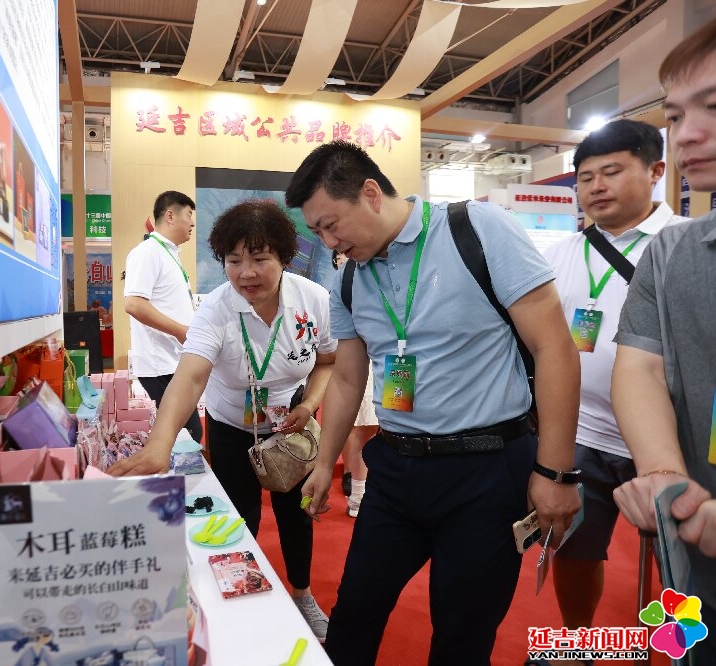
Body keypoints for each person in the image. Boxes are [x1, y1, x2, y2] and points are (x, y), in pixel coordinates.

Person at [285, 140, 582, 664]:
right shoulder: (349, 275)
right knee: (354, 613)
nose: (329, 241)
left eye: (331, 225)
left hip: (486, 473)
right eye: (318, 232)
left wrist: (555, 472)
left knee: (462, 633)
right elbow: (349, 377)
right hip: (395, 470)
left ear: (370, 193)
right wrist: (324, 461)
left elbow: (553, 346)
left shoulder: (477, 229)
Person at [110, 201, 337, 640]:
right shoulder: (215, 309)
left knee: (296, 515)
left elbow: (328, 361)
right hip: (232, 426)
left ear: (284, 258)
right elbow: (191, 375)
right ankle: (240, 602)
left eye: (260, 259)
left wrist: (309, 404)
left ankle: (302, 594)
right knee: (238, 517)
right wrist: (159, 444)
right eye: (234, 261)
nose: (246, 273)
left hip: (290, 426)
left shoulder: (313, 300)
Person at [541, 119, 688, 644]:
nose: (596, 187)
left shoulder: (686, 246)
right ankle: (577, 642)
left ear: (655, 171)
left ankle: (685, 647)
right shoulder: (560, 254)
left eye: (611, 172)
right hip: (581, 433)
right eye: (585, 178)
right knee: (573, 549)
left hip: (672, 437)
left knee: (683, 558)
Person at [611, 18, 716, 665]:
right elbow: (641, 367)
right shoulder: (672, 253)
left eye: (714, 107)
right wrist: (663, 474)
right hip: (695, 552)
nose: (687, 135)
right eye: (675, 117)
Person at [123, 191, 203, 442]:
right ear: (170, 216)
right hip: (160, 365)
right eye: (188, 215)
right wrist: (180, 331)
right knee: (187, 436)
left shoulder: (169, 253)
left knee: (184, 435)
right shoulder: (148, 252)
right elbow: (133, 304)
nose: (192, 222)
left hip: (174, 361)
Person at [331, 249, 375, 518]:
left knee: (384, 428)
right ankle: (357, 492)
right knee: (360, 427)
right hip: (361, 363)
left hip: (397, 365)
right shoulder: (343, 285)